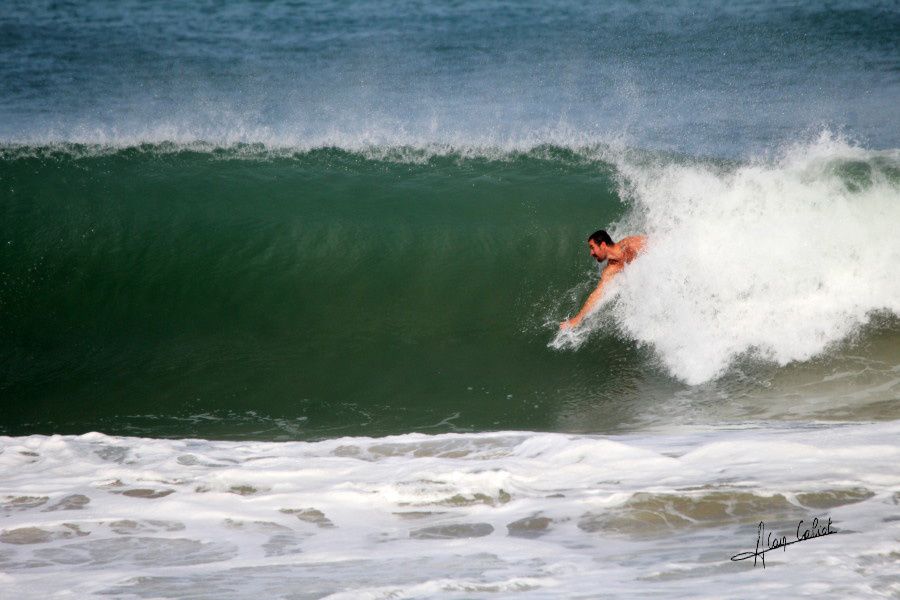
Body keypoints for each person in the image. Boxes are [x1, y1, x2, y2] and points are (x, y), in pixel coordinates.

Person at [559, 230, 646, 330]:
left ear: (603, 245)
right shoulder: (611, 268)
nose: (591, 253)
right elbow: (598, 292)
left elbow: (657, 249)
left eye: (592, 248)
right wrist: (578, 318)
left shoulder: (630, 244)